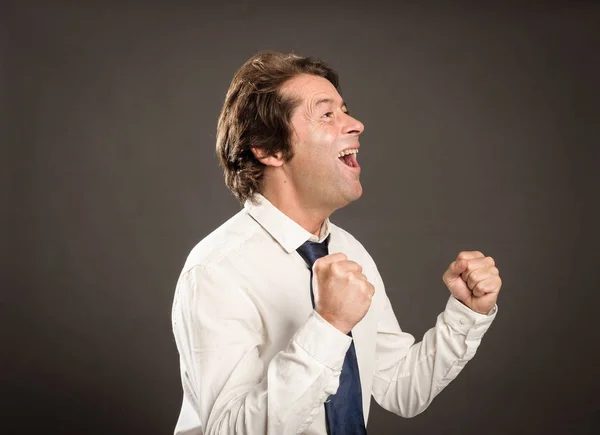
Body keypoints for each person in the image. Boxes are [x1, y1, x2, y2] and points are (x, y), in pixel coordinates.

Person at [171, 51, 502, 435]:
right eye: (327, 114)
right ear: (268, 148)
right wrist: (329, 327)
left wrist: (467, 313)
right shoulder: (216, 270)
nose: (357, 124)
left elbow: (399, 388)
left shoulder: (348, 250)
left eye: (345, 110)